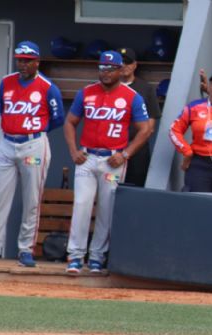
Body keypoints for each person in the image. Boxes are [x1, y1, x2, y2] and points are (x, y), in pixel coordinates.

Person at [0, 41, 65, 267]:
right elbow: (2, 109)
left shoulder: (47, 86)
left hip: (33, 143)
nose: (23, 64)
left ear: (37, 62)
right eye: (20, 60)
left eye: (28, 60)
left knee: (31, 200)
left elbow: (57, 118)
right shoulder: (6, 82)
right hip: (7, 143)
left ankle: (25, 250)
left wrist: (34, 131)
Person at [63, 51, 151, 273]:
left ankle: (97, 257)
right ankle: (75, 256)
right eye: (102, 68)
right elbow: (70, 122)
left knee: (106, 209)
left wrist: (125, 154)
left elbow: (145, 130)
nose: (106, 73)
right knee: (81, 205)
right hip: (88, 157)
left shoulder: (132, 96)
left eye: (111, 69)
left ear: (121, 70)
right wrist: (74, 151)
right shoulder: (87, 92)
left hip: (113, 159)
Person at [118, 47, 162, 187]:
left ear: (134, 65)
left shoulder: (146, 88)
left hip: (137, 150)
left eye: (128, 62)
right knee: (112, 184)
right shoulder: (109, 87)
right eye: (121, 62)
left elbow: (150, 126)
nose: (124, 65)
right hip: (112, 149)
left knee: (134, 188)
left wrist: (130, 148)